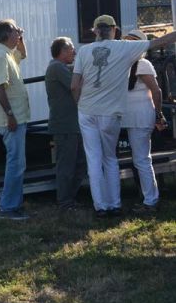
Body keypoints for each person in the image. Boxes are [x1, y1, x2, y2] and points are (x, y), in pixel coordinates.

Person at [71, 15, 176, 217]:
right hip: (111, 113)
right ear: (114, 29)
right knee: (110, 158)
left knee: (94, 160)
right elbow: (160, 41)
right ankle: (115, 204)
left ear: (94, 31)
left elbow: (74, 85)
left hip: (87, 110)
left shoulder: (83, 51)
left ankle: (100, 207)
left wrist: (79, 105)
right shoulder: (125, 49)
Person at [0, 19, 30, 220]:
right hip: (11, 120)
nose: (18, 34)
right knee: (15, 163)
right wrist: (10, 115)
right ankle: (8, 207)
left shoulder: (7, 53)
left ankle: (14, 204)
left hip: (18, 117)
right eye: (15, 32)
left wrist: (20, 37)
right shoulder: (0, 56)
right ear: (5, 35)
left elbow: (23, 54)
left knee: (18, 162)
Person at [121, 29, 163, 213]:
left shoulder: (143, 64)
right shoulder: (124, 63)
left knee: (142, 160)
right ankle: (147, 197)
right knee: (138, 160)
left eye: (132, 42)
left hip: (140, 116)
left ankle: (151, 200)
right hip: (129, 117)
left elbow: (156, 91)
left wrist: (159, 114)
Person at [44, 37, 86, 209]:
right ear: (62, 51)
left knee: (80, 163)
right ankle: (65, 201)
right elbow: (74, 85)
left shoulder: (59, 67)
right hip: (65, 125)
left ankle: (69, 199)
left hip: (71, 124)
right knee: (67, 165)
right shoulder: (57, 67)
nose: (74, 53)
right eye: (71, 50)